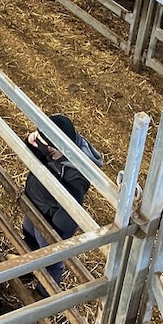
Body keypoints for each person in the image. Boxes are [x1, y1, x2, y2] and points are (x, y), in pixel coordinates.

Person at [21, 113, 103, 298]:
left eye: (50, 150)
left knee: (50, 257)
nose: (46, 152)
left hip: (52, 219)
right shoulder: (54, 146)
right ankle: (26, 269)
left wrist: (55, 231)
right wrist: (30, 142)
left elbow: (71, 207)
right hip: (35, 203)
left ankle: (44, 293)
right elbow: (37, 154)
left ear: (64, 147)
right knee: (29, 236)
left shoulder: (77, 174)